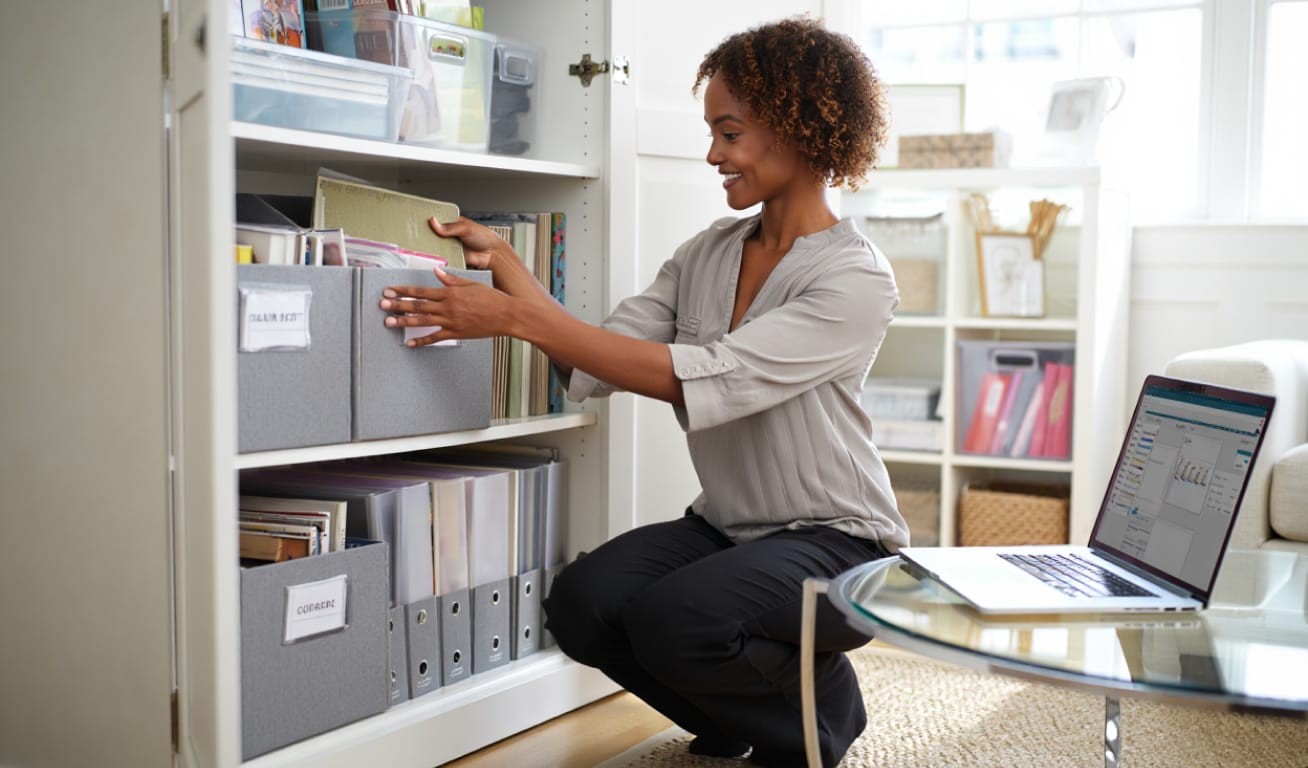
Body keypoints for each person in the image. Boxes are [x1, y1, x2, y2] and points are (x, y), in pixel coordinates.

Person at [379, 16, 904, 767]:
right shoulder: (708, 253)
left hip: (839, 544)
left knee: (672, 618)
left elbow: (700, 377)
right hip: (730, 527)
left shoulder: (853, 278)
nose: (712, 153)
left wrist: (514, 316)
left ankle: (817, 725)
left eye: (729, 132)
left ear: (795, 127)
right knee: (584, 604)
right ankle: (732, 718)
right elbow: (596, 363)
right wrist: (508, 269)